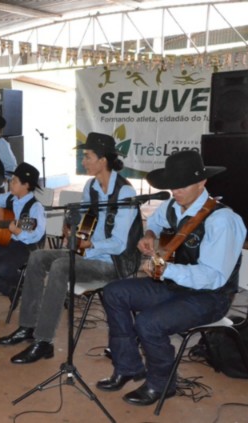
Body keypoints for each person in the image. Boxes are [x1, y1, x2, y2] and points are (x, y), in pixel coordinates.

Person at [96, 150, 246, 406]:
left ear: (202, 183)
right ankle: (129, 366)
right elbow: (155, 220)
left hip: (210, 297)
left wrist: (166, 270)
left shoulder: (222, 221)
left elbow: (213, 277)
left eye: (182, 185)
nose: (175, 190)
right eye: (172, 185)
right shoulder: (174, 206)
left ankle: (162, 384)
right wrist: (151, 235)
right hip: (175, 285)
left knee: (148, 323)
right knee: (114, 292)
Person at [0, 132, 143, 365]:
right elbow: (87, 221)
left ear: (103, 160)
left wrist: (89, 245)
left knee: (61, 267)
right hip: (88, 253)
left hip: (113, 262)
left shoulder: (125, 192)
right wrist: (75, 234)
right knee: (37, 257)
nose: (83, 161)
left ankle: (44, 341)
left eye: (87, 156)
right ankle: (27, 326)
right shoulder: (91, 186)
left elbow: (119, 244)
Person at [0, 162, 46, 311]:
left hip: (27, 246)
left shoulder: (35, 207)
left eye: (14, 181)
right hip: (7, 241)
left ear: (25, 185)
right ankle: (11, 291)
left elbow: (37, 233)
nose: (10, 183)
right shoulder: (10, 198)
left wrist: (18, 231)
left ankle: (29, 284)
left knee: (4, 269)